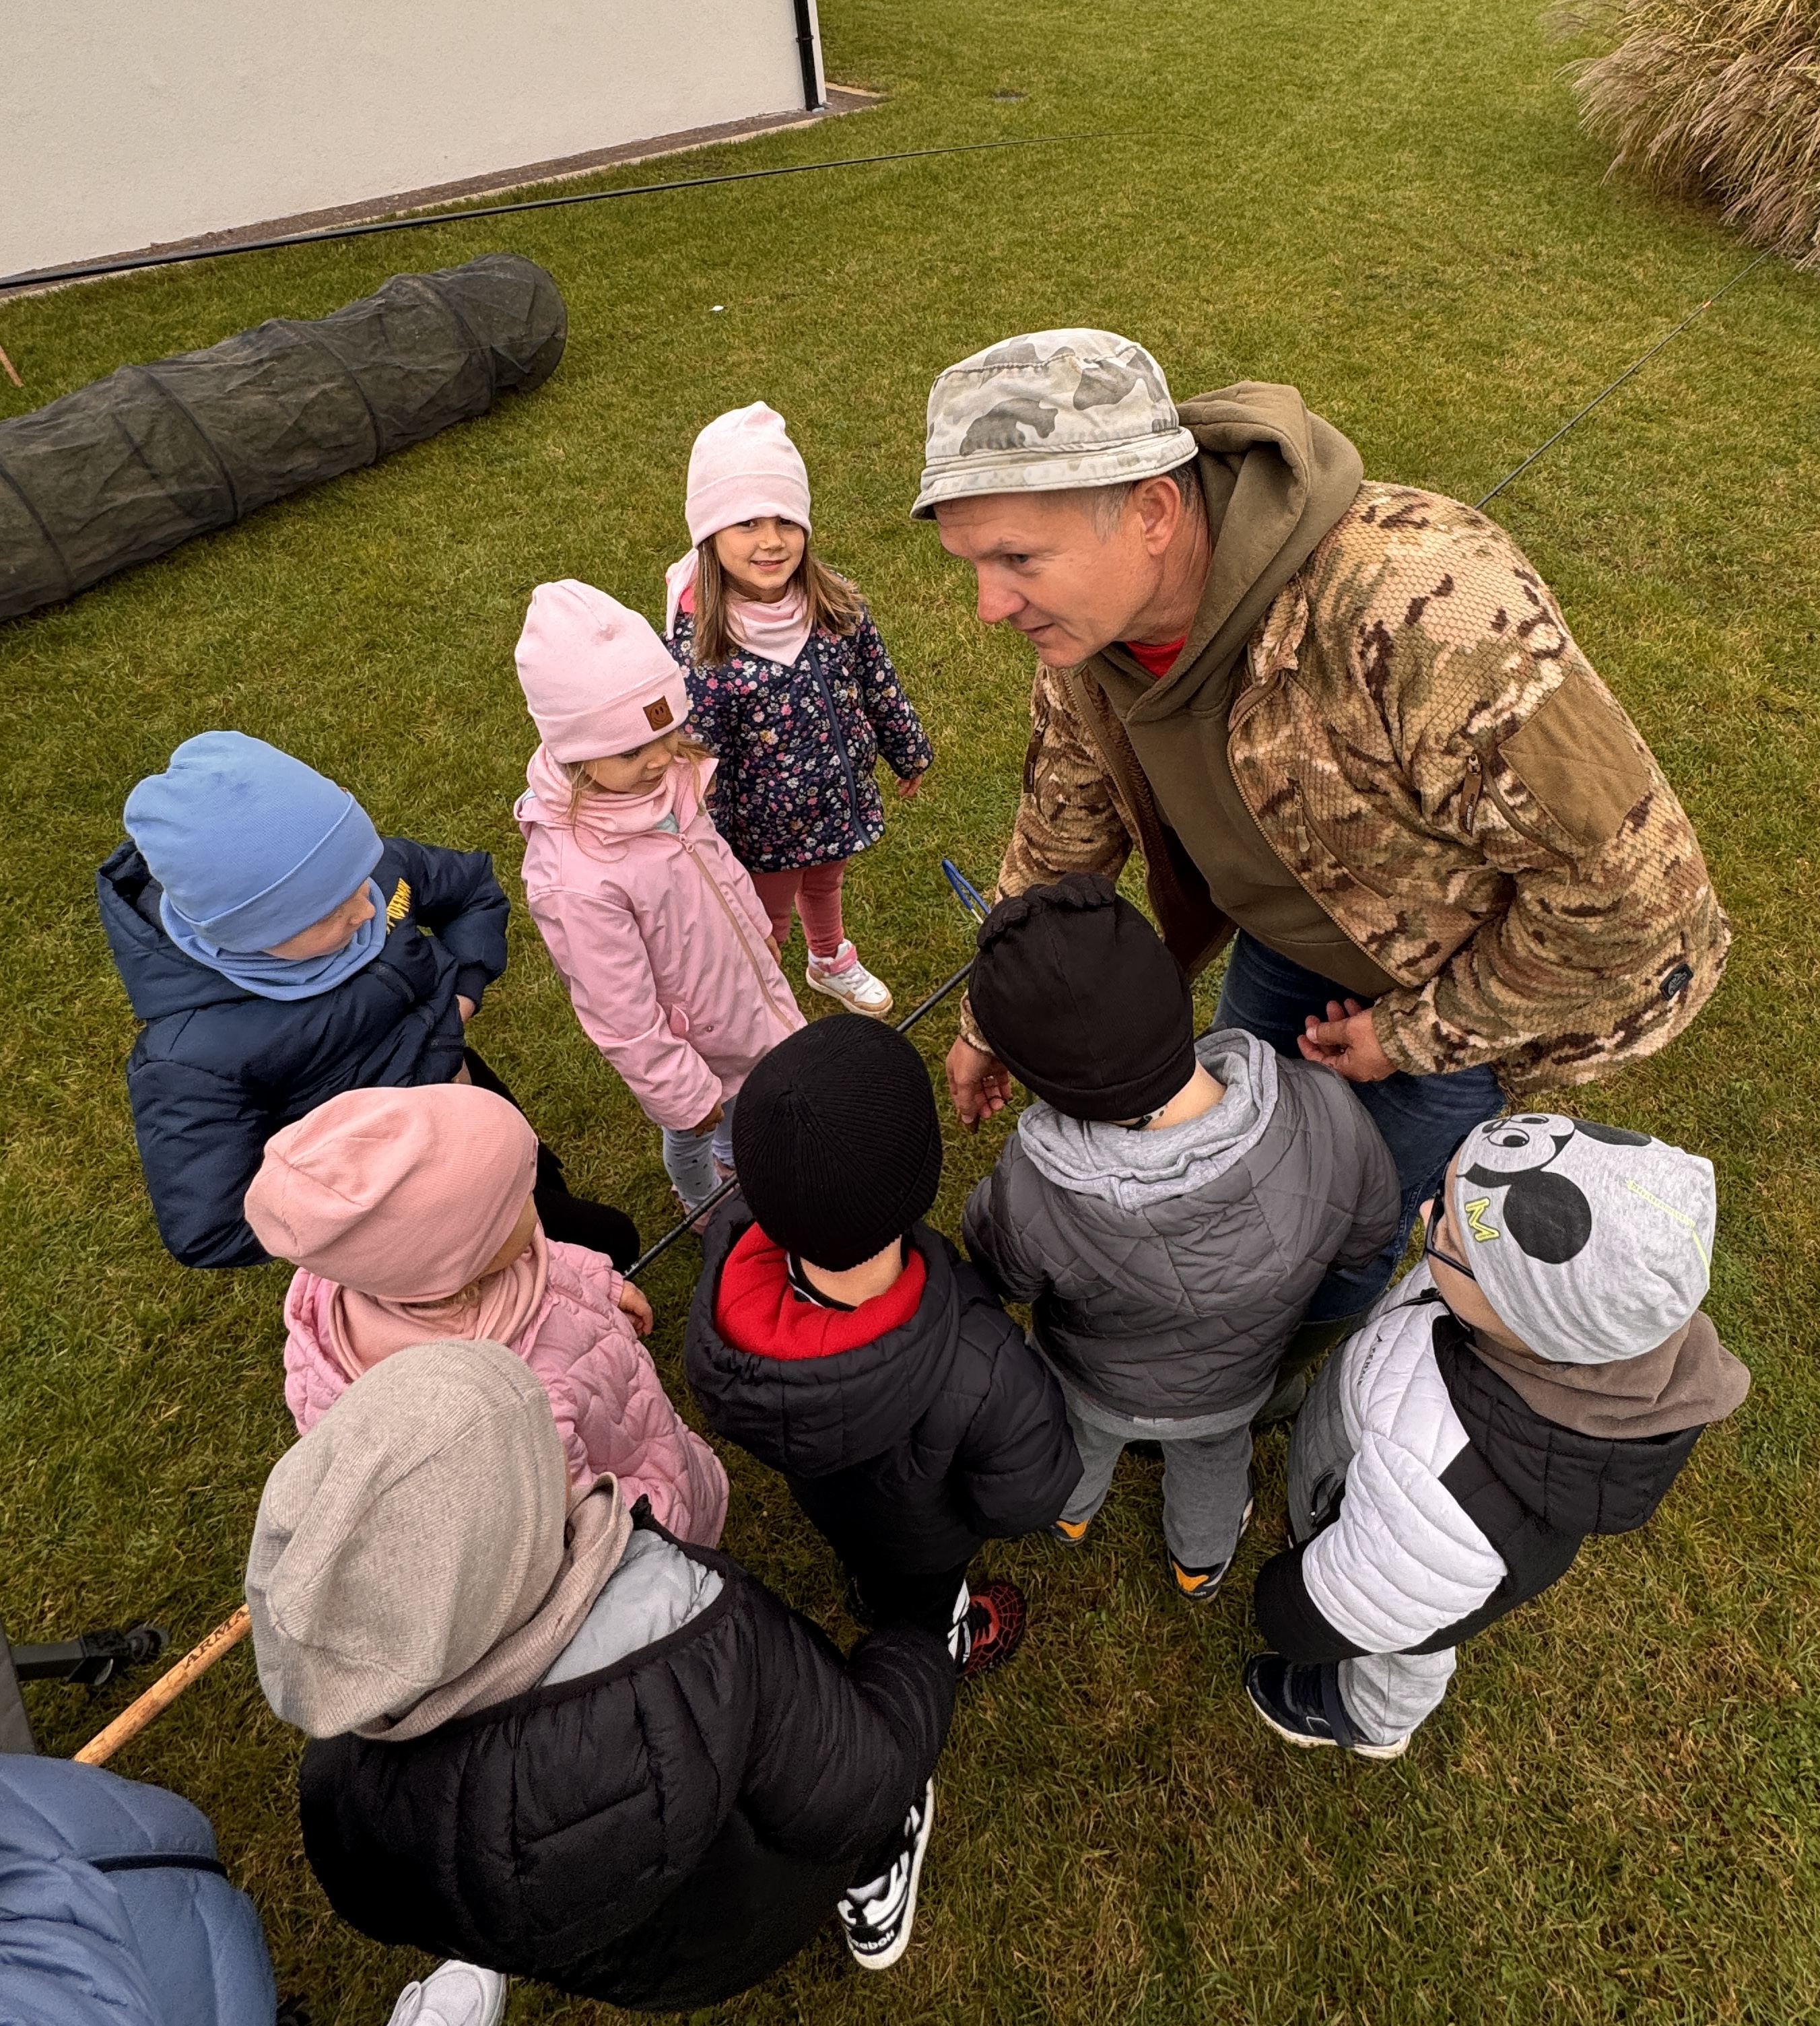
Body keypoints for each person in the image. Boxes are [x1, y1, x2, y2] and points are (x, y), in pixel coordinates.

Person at [917, 329, 1730, 1338]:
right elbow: (1060, 831)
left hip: (1454, 981)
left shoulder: (1431, 607)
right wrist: (989, 1018)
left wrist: (1411, 1035)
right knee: (1234, 1163)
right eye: (972, 564)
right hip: (1284, 944)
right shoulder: (1088, 640)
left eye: (1017, 559)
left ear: (1153, 512)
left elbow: (1636, 900)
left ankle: (1303, 1354)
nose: (989, 606)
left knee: (1352, 1215)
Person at [250, 1339, 955, 2000]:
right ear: (501, 1558)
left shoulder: (337, 1793)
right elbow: (862, 1784)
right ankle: (878, 1874)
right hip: (777, 1898)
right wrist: (914, 1653)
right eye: (538, 1458)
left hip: (658, 1975)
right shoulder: (701, 1637)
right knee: (873, 1816)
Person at [1243, 1114, 1749, 1758]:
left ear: (1531, 1318)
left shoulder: (1450, 1500)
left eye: (1451, 1232)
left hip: (1391, 1576)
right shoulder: (1508, 1310)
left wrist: (1287, 1604)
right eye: (1447, 1194)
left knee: (1401, 1648)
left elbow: (1363, 1601)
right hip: (1374, 1500)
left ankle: (1367, 1717)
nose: (1426, 1212)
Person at [959, 874, 1398, 1599]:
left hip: (1089, 1383)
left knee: (1078, 1441)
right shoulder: (1326, 1106)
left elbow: (1002, 1272)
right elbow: (1368, 1236)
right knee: (1214, 1458)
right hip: (1234, 1385)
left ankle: (1070, 1513)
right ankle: (1200, 1562)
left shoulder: (1032, 1182)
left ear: (1043, 1081)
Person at [97, 729, 636, 1272]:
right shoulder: (193, 1057)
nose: (367, 910)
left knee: (557, 1201)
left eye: (360, 881)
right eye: (331, 913)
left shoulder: (369, 874)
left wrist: (463, 995)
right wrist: (369, 1209)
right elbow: (208, 1227)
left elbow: (470, 891)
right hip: (415, 1219)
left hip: (467, 1098)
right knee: (578, 1259)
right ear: (242, 933)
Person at [685, 1015, 1081, 1675]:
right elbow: (1028, 1496)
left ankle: (871, 1589)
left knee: (873, 1565)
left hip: (833, 1507)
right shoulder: (983, 1362)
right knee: (925, 1605)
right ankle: (950, 1642)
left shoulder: (730, 1289)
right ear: (919, 1175)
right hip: (925, 1545)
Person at [244, 1081, 727, 1540]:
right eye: (520, 1199)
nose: (537, 1206)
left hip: (623, 1412)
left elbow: (540, 1256)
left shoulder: (387, 1273)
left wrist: (602, 1281)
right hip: (644, 1501)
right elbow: (587, 1527)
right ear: (461, 1257)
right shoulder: (518, 1409)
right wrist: (667, 1530)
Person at [514, 580, 805, 1219]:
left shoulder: (669, 783)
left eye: (668, 731)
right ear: (574, 749)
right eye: (631, 749)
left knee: (748, 1097)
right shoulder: (575, 879)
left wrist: (755, 923)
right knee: (697, 1123)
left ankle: (737, 1154)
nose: (661, 759)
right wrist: (679, 1091)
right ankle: (701, 1198)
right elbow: (617, 1010)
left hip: (735, 992)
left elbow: (715, 858)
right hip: (688, 1042)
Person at [663, 401, 933, 1017]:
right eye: (747, 523)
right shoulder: (703, 647)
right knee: (765, 920)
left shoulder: (836, 606)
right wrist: (709, 841)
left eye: (786, 519)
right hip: (761, 833)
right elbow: (699, 759)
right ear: (709, 535)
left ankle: (829, 958)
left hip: (834, 802)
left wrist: (907, 749)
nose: (771, 540)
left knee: (826, 880)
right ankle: (759, 1000)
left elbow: (878, 683)